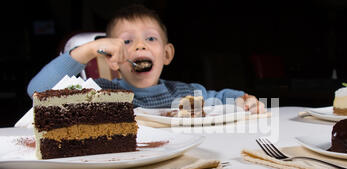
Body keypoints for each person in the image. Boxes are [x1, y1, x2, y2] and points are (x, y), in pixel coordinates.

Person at [27, 4, 265, 114]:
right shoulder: (101, 93)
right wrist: (90, 49)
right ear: (114, 58)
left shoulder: (186, 94)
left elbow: (221, 98)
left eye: (150, 39)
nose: (140, 45)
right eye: (127, 42)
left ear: (167, 54)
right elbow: (37, 91)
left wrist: (244, 100)